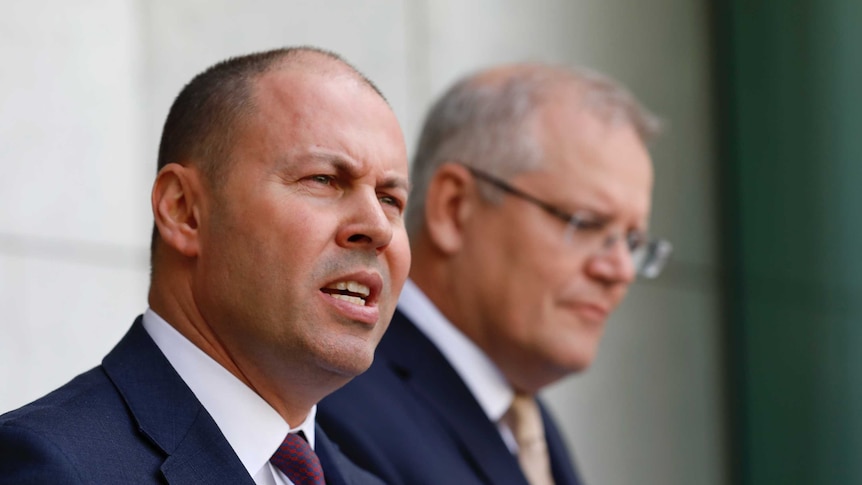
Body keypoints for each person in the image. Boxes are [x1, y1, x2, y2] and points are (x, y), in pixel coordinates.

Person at [0, 46, 411, 485]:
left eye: (390, 199)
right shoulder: (51, 467)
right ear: (184, 210)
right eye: (324, 180)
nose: (377, 227)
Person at [317, 63, 673, 485]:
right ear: (454, 208)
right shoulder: (337, 405)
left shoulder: (526, 423)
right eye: (586, 223)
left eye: (632, 241)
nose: (620, 271)